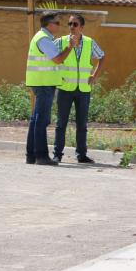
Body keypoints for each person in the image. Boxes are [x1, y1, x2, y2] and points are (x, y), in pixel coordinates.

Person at [26, 12, 78, 165]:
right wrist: (70, 47)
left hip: (41, 83)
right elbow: (58, 59)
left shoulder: (43, 37)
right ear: (50, 24)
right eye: (57, 23)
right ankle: (41, 156)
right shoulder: (44, 39)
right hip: (43, 84)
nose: (60, 25)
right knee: (42, 120)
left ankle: (32, 155)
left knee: (36, 120)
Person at [53, 14, 105, 164]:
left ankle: (81, 155)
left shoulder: (89, 43)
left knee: (82, 125)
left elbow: (102, 56)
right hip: (64, 88)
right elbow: (51, 58)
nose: (72, 27)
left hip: (83, 90)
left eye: (75, 24)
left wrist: (94, 76)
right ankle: (57, 154)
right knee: (60, 124)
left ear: (81, 27)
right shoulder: (61, 42)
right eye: (70, 24)